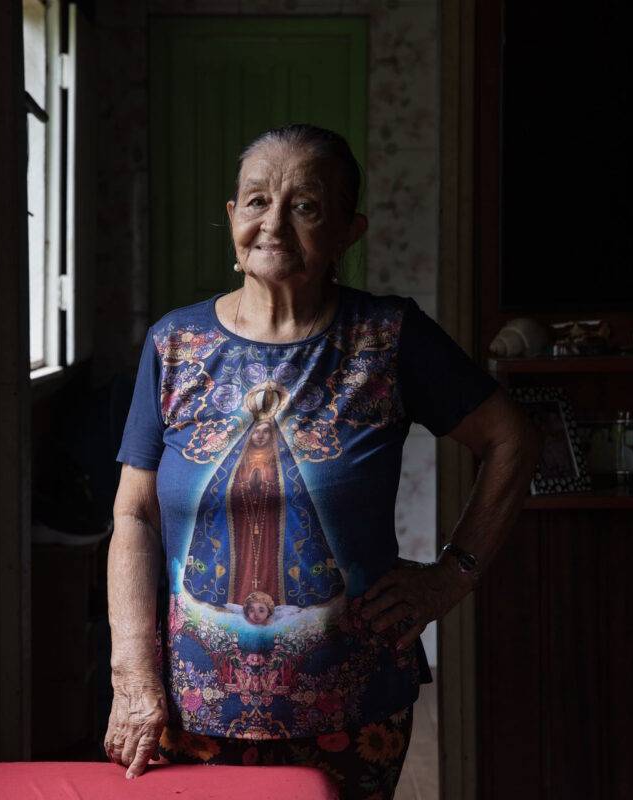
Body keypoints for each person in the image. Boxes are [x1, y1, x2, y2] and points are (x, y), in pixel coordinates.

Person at [105, 123, 541, 799]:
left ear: (347, 232)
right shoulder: (175, 344)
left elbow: (511, 438)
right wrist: (133, 674)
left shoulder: (388, 337)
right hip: (189, 709)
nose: (273, 224)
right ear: (232, 216)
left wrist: (452, 576)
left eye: (305, 206)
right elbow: (134, 515)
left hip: (352, 707)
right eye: (257, 201)